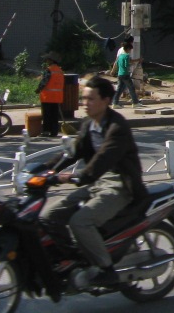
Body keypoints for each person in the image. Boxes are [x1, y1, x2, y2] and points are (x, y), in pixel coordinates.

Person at [42, 76, 148, 288]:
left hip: (119, 184)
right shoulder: (89, 124)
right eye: (84, 98)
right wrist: (46, 170)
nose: (85, 103)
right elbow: (73, 152)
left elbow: (104, 158)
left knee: (80, 221)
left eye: (90, 99)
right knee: (49, 216)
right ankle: (73, 258)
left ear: (106, 100)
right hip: (96, 182)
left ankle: (106, 268)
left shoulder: (117, 126)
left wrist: (79, 176)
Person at [37, 52, 65, 137]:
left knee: (46, 115)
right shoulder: (60, 70)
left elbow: (45, 81)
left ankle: (46, 131)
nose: (46, 61)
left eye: (48, 60)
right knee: (54, 115)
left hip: (47, 97)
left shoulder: (49, 70)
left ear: (52, 60)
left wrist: (39, 89)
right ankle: (54, 132)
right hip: (57, 97)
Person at [112, 38, 141, 108]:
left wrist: (113, 70)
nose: (130, 51)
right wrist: (131, 65)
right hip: (125, 74)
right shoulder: (126, 56)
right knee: (131, 88)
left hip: (120, 74)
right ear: (128, 49)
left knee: (119, 89)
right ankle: (135, 103)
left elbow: (117, 63)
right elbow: (126, 65)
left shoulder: (120, 55)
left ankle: (115, 103)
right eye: (130, 50)